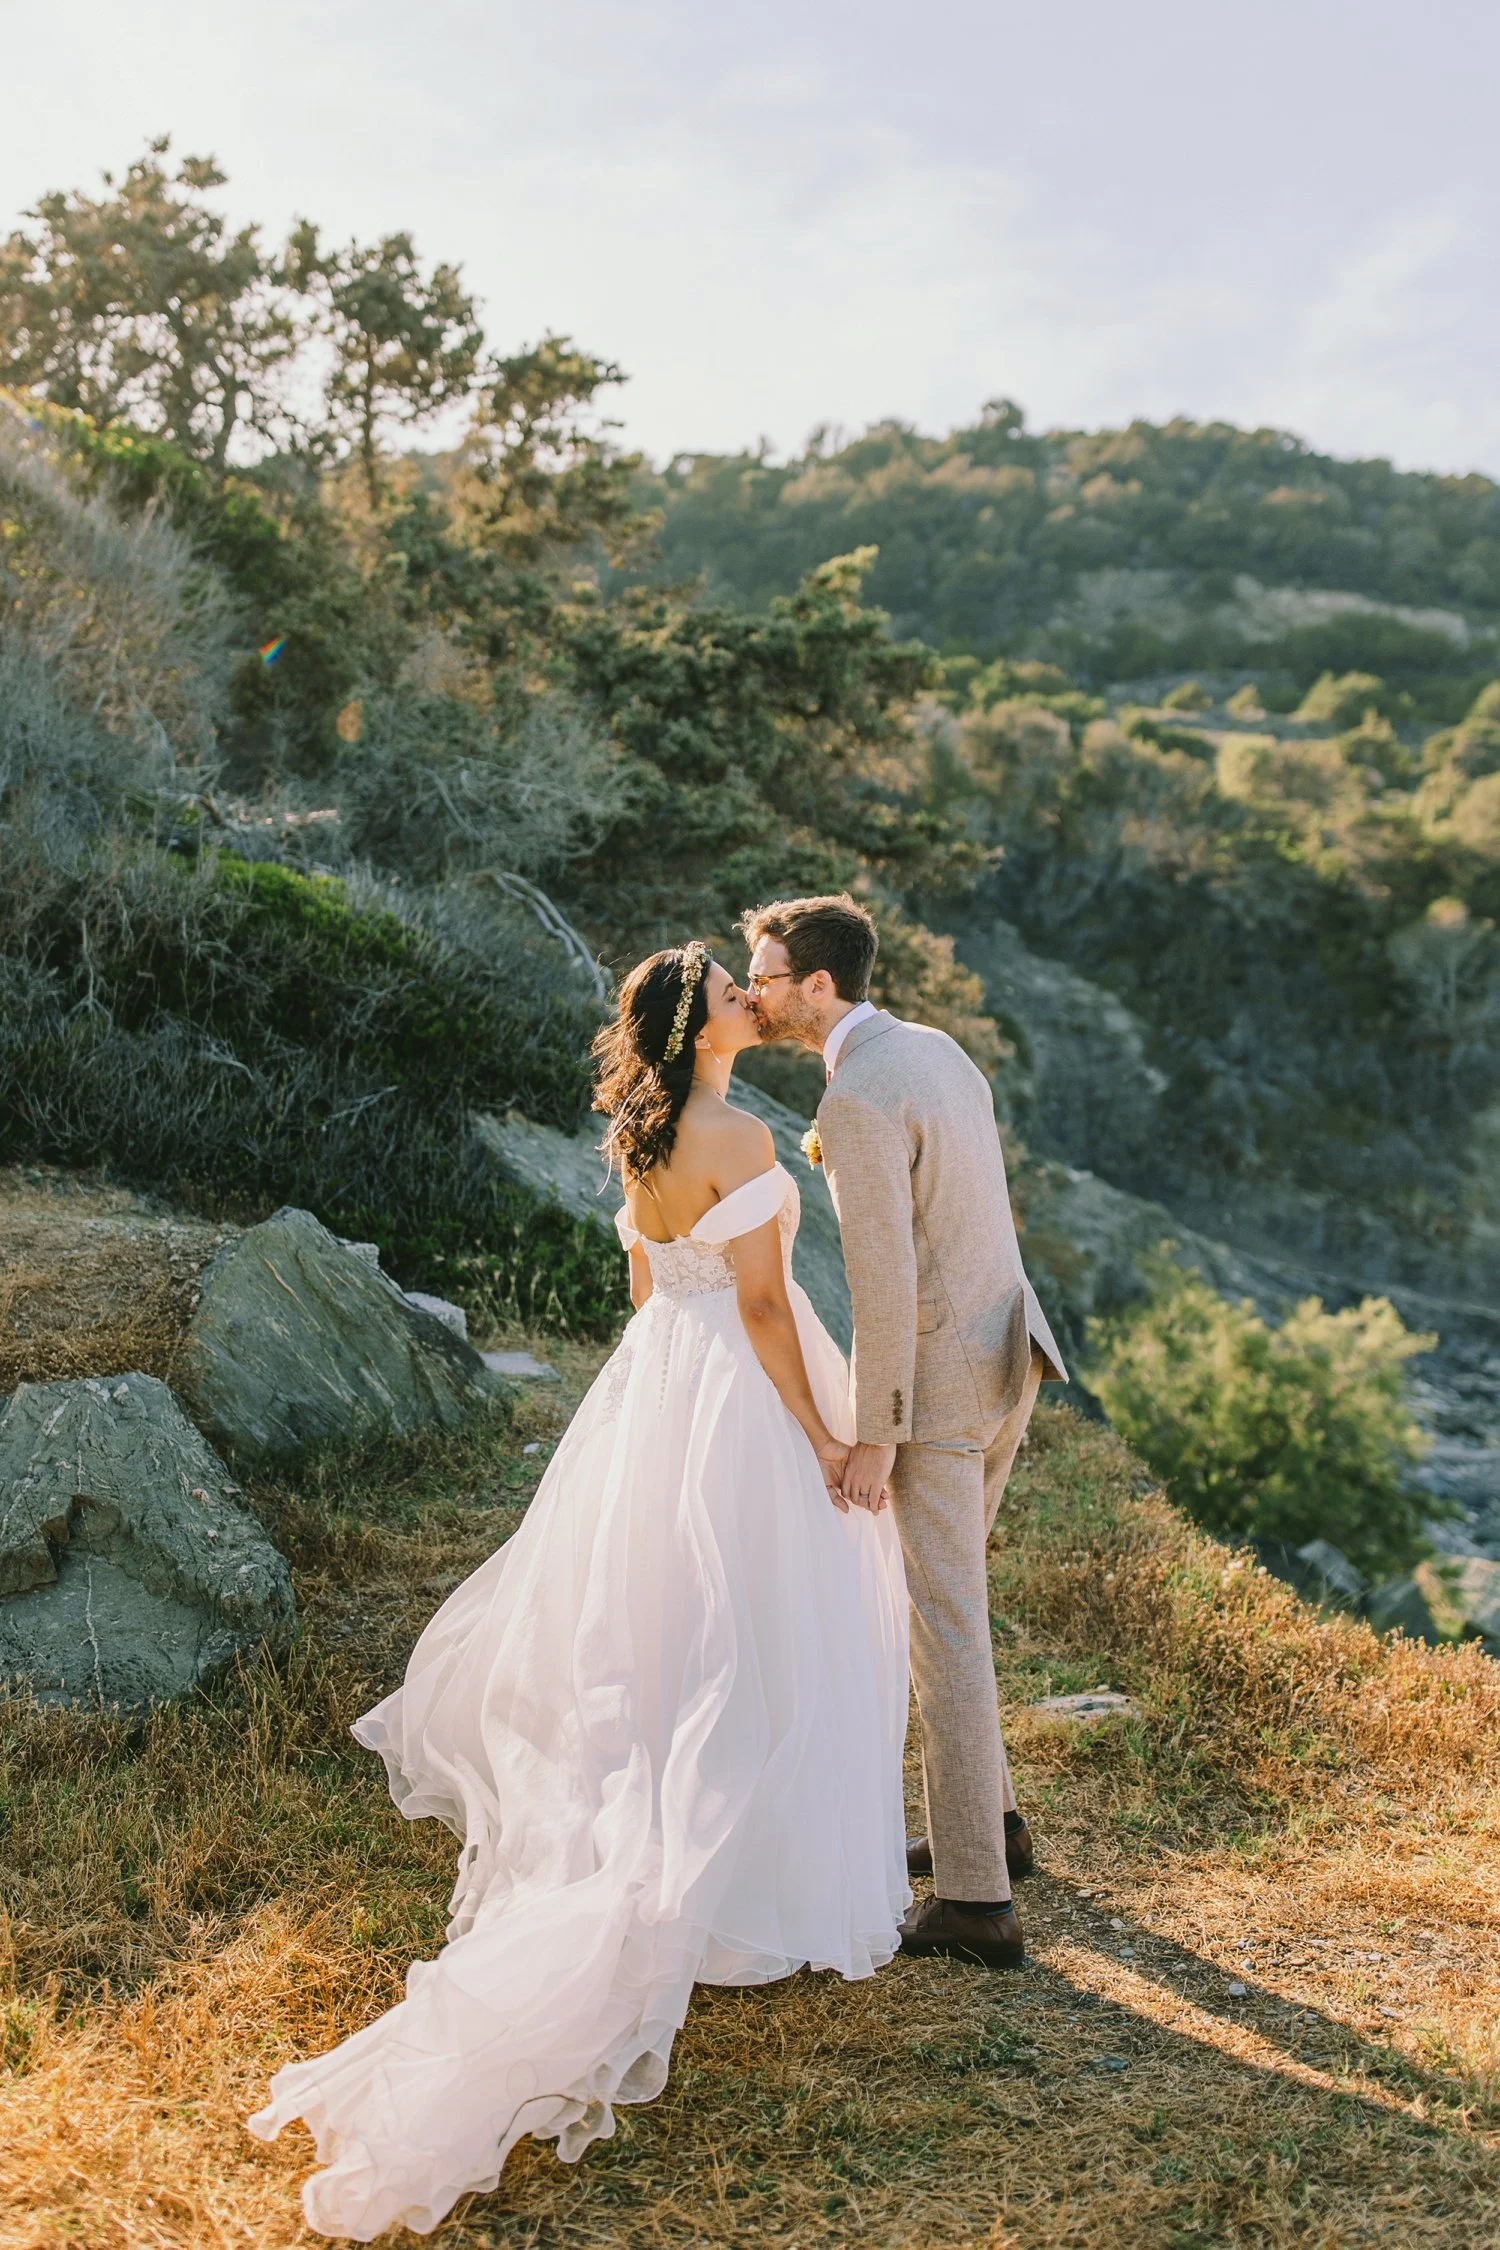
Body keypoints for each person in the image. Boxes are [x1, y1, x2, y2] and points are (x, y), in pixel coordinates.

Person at [248, 942, 910, 2241]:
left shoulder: (645, 1136)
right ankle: (747, 1895)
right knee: (768, 1629)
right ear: (698, 1023)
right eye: (726, 988)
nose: (744, 997)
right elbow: (772, 1312)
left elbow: (643, 1287)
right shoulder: (739, 1140)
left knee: (666, 1633)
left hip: (660, 1378)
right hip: (738, 1386)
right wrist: (827, 1439)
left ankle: (700, 1867)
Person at [743, 893, 1068, 1972]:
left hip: (939, 1388)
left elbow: (883, 1288)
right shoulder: (934, 1051)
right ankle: (997, 1830)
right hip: (1010, 1349)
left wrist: (877, 1433)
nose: (755, 990)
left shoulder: (857, 1102)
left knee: (943, 1623)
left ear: (819, 986)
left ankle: (976, 1902)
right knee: (955, 1601)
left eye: (769, 974)